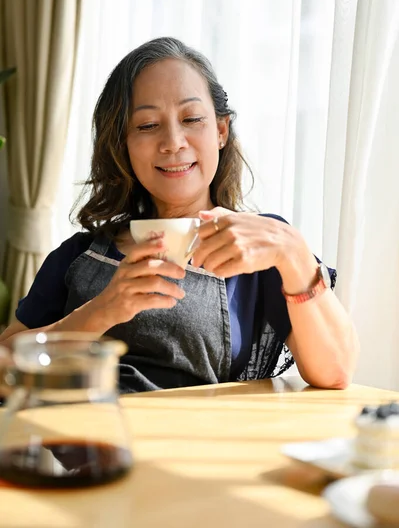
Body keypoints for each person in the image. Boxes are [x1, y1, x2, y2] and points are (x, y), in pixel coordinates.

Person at [0, 37, 359, 392]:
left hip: (192, 447)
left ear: (221, 130)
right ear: (123, 144)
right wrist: (103, 310)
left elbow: (336, 372)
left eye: (191, 118)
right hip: (81, 443)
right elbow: (4, 369)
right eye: (147, 125)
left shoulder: (263, 249)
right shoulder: (79, 254)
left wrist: (293, 250)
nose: (173, 141)